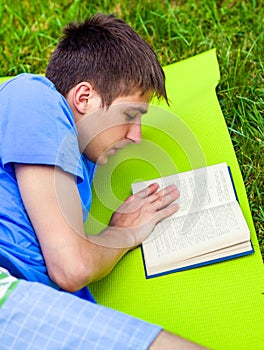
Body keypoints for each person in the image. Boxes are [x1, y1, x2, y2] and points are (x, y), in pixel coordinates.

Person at [0, 13, 207, 349]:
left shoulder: (81, 161)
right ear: (84, 98)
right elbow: (72, 267)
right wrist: (123, 232)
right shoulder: (34, 97)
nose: (136, 136)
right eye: (131, 116)